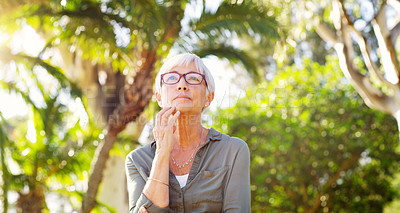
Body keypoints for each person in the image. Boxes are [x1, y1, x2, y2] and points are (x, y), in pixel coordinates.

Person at [125, 53, 250, 213]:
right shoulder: (137, 161)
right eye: (171, 78)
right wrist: (162, 152)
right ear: (159, 97)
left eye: (193, 78)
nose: (182, 85)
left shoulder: (233, 151)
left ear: (208, 97)